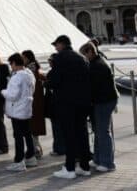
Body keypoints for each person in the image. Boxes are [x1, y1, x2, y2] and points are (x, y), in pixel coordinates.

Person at [49, 35, 92, 180]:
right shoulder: (81, 58)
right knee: (82, 133)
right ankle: (85, 167)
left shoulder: (60, 58)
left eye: (56, 45)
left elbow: (54, 80)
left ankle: (70, 168)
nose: (55, 47)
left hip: (66, 103)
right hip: (82, 103)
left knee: (69, 135)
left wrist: (46, 83)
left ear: (62, 44)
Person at [80, 41, 119, 172]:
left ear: (90, 52)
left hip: (104, 101)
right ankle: (98, 159)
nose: (84, 58)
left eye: (84, 55)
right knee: (99, 131)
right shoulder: (97, 63)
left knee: (102, 132)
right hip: (104, 100)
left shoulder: (97, 66)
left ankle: (107, 163)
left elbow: (93, 88)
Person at [1, 52, 36, 172]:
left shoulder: (17, 77)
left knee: (18, 136)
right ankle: (31, 157)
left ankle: (19, 161)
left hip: (17, 110)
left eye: (11, 64)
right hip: (26, 109)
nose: (11, 67)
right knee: (27, 133)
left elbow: (13, 95)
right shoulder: (29, 74)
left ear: (14, 63)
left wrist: (3, 92)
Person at [22, 50, 46, 158]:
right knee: (33, 129)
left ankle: (35, 150)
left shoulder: (30, 71)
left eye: (23, 57)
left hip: (33, 103)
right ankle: (36, 149)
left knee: (32, 128)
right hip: (36, 103)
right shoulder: (36, 69)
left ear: (28, 58)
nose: (22, 60)